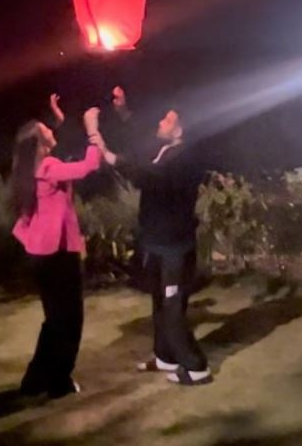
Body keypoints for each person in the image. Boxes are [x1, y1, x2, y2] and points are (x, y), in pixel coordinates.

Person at [92, 87, 212, 386]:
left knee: (172, 308)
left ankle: (196, 367)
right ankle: (164, 357)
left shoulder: (185, 159)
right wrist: (123, 113)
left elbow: (149, 175)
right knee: (159, 302)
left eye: (167, 120)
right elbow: (142, 142)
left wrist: (107, 153)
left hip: (175, 248)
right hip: (157, 242)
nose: (160, 122)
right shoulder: (167, 150)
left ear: (180, 129)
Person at [11, 106, 102, 398]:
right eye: (47, 129)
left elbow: (43, 142)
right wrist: (92, 131)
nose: (51, 129)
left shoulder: (31, 170)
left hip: (42, 254)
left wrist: (58, 121)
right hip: (59, 255)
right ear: (40, 143)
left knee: (54, 321)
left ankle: (34, 381)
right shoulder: (49, 167)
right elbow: (88, 166)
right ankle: (59, 382)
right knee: (70, 321)